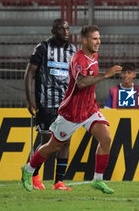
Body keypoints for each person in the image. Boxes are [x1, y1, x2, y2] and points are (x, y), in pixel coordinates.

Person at [21, 25, 122, 194]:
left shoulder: (94, 55)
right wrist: (106, 75)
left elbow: (89, 84)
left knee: (106, 138)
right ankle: (29, 169)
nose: (99, 41)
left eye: (99, 38)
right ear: (84, 40)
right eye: (94, 38)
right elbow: (81, 82)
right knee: (52, 146)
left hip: (89, 110)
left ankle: (98, 180)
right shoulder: (78, 59)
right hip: (72, 113)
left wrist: (93, 96)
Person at [24, 18, 77, 191]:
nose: (66, 32)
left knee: (65, 141)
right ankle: (32, 174)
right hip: (47, 102)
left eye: (67, 29)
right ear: (54, 31)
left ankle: (58, 182)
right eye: (62, 29)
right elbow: (29, 73)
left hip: (66, 105)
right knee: (47, 140)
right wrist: (29, 98)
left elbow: (76, 77)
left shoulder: (72, 50)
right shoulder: (43, 48)